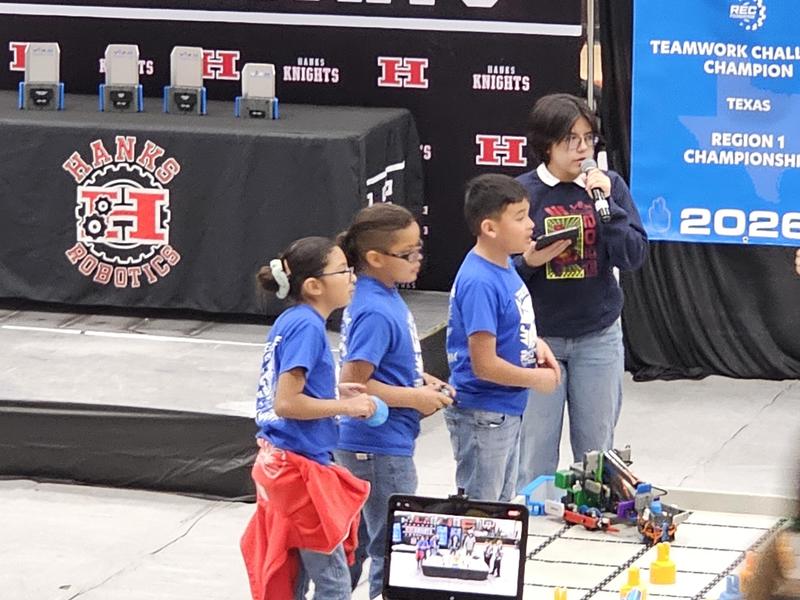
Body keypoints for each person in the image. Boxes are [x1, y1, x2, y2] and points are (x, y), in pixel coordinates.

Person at [514, 93, 648, 490]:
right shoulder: (523, 193)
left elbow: (634, 256)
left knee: (596, 454)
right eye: (569, 139)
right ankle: (536, 534)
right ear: (546, 144)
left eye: (588, 138)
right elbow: (496, 272)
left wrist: (608, 206)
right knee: (535, 452)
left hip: (598, 336)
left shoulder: (609, 188)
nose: (581, 148)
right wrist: (529, 262)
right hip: (540, 341)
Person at [240, 236, 377, 600]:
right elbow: (287, 403)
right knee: (332, 578)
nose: (353, 277)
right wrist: (345, 408)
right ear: (314, 286)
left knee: (295, 572)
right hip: (300, 470)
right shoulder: (307, 326)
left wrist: (335, 394)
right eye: (343, 270)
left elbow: (293, 393)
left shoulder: (293, 319)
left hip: (284, 463)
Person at [334, 203, 454, 599]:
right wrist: (415, 397)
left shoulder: (381, 296)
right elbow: (353, 386)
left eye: (419, 249)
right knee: (394, 550)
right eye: (408, 254)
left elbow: (382, 366)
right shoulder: (374, 309)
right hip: (376, 448)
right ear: (374, 258)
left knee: (359, 544)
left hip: (380, 444)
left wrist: (420, 380)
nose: (417, 260)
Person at [445, 173, 561, 502]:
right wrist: (537, 379)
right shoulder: (480, 281)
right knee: (484, 512)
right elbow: (484, 364)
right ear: (490, 228)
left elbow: (508, 325)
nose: (531, 226)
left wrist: (535, 344)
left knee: (501, 505)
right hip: (484, 413)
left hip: (503, 410)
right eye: (520, 217)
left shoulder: (504, 266)